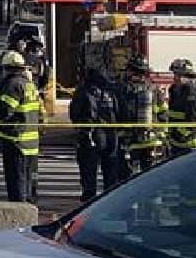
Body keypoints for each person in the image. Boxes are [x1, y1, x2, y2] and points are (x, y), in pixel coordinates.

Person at [0, 51, 42, 203]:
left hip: (16, 142)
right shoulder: (29, 85)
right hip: (31, 143)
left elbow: (4, 111)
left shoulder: (13, 85)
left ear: (9, 68)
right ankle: (29, 212)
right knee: (29, 183)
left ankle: (20, 217)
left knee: (17, 183)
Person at [70, 67, 123, 202]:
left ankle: (89, 200)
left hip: (91, 135)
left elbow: (74, 114)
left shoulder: (84, 91)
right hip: (111, 135)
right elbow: (119, 111)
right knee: (110, 171)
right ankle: (109, 200)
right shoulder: (111, 92)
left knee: (88, 170)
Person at [120, 57, 164, 176]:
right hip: (150, 137)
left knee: (131, 175)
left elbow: (121, 112)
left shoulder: (124, 89)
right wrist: (161, 133)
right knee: (149, 174)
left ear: (132, 71)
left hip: (132, 138)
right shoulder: (154, 89)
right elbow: (162, 112)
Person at [166, 58, 196, 155]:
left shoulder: (191, 93)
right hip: (178, 142)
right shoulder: (174, 90)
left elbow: (194, 120)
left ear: (188, 76)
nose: (176, 77)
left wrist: (181, 133)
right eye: (175, 74)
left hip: (191, 143)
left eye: (180, 75)